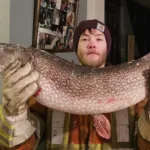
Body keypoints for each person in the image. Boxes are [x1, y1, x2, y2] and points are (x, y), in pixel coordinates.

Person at [0, 19, 149, 150]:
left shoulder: (138, 100)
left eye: (99, 39)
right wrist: (14, 114)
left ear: (107, 47)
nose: (91, 44)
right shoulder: (36, 94)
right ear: (76, 48)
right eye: (84, 40)